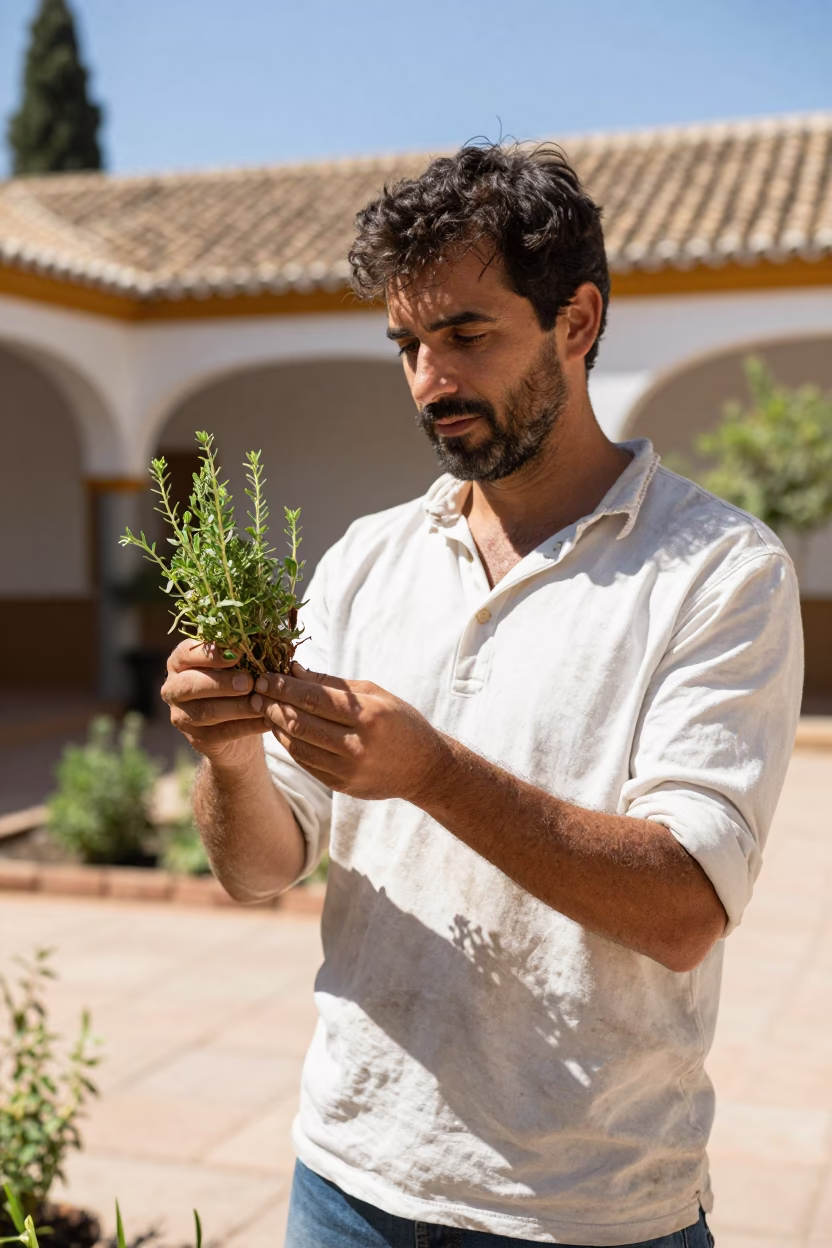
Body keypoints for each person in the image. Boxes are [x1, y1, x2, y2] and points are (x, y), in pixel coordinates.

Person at [162, 143, 803, 1247]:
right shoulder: (367, 560)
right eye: (407, 344)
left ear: (577, 321)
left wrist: (430, 772)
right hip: (344, 1178)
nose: (430, 379)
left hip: (588, 1209)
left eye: (466, 335)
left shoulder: (718, 569)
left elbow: (685, 908)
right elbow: (263, 868)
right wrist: (226, 757)